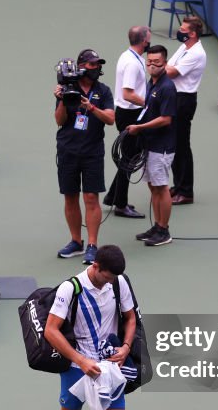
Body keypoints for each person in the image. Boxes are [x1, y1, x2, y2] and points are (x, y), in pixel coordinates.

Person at [43, 244, 151, 410]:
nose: (111, 281)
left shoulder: (119, 282)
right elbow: (51, 331)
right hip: (77, 366)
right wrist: (80, 361)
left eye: (115, 277)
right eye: (108, 276)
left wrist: (126, 347)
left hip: (108, 368)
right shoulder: (70, 289)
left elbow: (129, 318)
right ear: (96, 267)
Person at [53, 49, 116, 265]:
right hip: (68, 151)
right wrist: (61, 100)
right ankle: (75, 242)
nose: (96, 68)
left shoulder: (103, 91)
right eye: (91, 65)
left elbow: (110, 119)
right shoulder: (68, 89)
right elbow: (59, 121)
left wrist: (91, 107)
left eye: (98, 64)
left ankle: (92, 245)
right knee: (70, 197)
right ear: (81, 67)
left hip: (92, 153)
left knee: (91, 198)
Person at [127, 45, 177, 247]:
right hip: (150, 144)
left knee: (162, 187)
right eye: (149, 61)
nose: (152, 65)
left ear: (164, 63)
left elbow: (166, 119)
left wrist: (140, 127)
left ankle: (164, 230)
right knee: (153, 186)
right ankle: (157, 225)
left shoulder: (167, 87)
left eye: (156, 62)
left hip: (162, 147)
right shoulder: (152, 83)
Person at [105, 26, 150, 219]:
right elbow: (128, 93)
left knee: (129, 157)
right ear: (143, 41)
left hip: (127, 113)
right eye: (148, 39)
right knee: (129, 159)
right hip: (130, 114)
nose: (150, 42)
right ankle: (121, 204)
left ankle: (113, 197)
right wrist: (149, 103)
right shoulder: (132, 63)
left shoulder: (130, 56)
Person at [166, 16, 207, 205]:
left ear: (192, 33)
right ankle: (178, 185)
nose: (180, 31)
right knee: (174, 145)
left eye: (183, 29)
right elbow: (169, 64)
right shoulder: (185, 47)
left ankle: (186, 192)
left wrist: (158, 67)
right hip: (176, 98)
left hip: (185, 100)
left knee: (182, 146)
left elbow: (171, 71)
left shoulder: (197, 53)